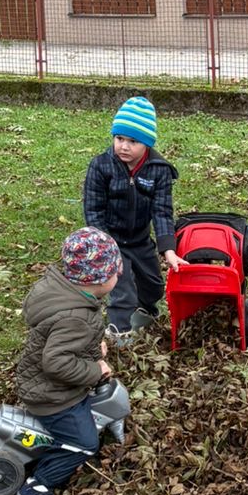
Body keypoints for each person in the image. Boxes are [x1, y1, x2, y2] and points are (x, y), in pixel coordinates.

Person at [12, 227, 123, 495]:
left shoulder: (63, 292)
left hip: (38, 381)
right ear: (98, 279)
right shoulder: (77, 317)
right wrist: (94, 369)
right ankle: (38, 484)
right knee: (85, 442)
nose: (120, 273)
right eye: (115, 270)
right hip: (54, 396)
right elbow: (57, 363)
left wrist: (92, 345)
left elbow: (60, 337)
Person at [81, 96, 181, 342]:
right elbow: (93, 210)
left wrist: (168, 249)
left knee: (154, 285)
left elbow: (162, 211)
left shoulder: (159, 170)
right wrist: (106, 247)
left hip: (140, 239)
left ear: (146, 143)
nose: (124, 146)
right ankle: (119, 331)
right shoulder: (101, 166)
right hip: (112, 239)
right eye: (119, 138)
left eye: (133, 141)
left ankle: (145, 311)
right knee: (122, 286)